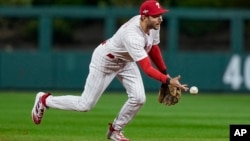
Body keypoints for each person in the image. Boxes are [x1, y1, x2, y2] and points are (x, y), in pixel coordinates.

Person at [31, 0, 189, 141]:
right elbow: (147, 68)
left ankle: (115, 131)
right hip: (106, 60)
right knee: (85, 104)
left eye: (161, 14)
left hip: (126, 61)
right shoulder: (132, 35)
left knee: (139, 98)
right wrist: (167, 80)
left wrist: (165, 72)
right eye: (156, 15)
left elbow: (153, 47)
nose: (160, 18)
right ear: (144, 17)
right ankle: (44, 100)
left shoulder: (154, 26)